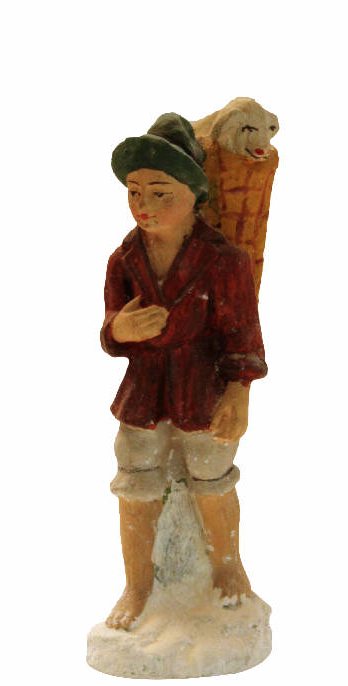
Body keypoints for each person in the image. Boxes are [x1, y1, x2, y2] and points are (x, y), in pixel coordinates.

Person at [101, 114, 267, 630]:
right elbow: (110, 329)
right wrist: (121, 330)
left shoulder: (224, 261)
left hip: (202, 385)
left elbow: (243, 335)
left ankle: (227, 566)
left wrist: (238, 392)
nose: (144, 206)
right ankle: (137, 585)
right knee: (135, 479)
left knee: (212, 475)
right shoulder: (124, 259)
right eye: (134, 192)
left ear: (195, 194)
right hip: (145, 389)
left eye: (160, 193)